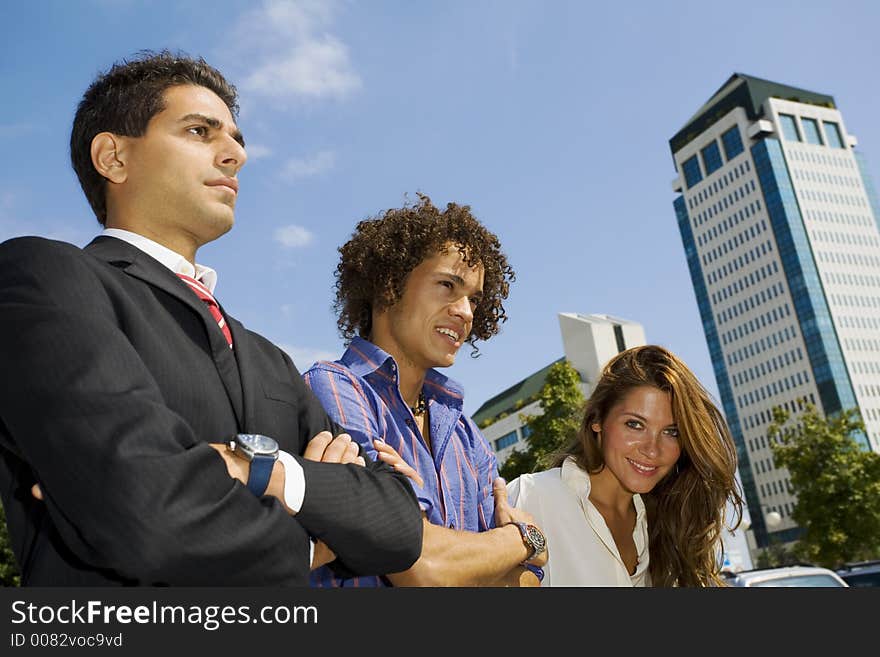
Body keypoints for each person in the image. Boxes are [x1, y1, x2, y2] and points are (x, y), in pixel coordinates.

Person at [0, 50, 422, 586]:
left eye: (238, 140)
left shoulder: (269, 360)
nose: (235, 156)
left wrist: (262, 470)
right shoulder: (43, 277)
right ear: (113, 157)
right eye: (201, 131)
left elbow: (400, 524)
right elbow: (148, 513)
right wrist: (317, 538)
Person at [305, 194, 548, 586]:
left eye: (474, 299)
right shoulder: (334, 388)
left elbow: (530, 580)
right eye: (447, 285)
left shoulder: (467, 436)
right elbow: (422, 570)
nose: (466, 312)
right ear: (389, 284)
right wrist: (524, 539)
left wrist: (495, 555)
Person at [508, 345, 743, 587]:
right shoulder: (533, 498)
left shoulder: (668, 524)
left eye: (671, 432)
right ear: (597, 419)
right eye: (635, 424)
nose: (652, 449)